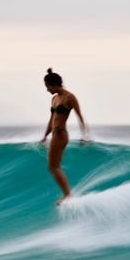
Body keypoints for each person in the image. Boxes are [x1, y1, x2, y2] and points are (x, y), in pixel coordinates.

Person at [40, 68, 89, 205]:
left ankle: (68, 195)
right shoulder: (54, 99)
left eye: (47, 87)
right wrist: (45, 136)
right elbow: (51, 120)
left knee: (54, 167)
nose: (47, 90)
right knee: (53, 167)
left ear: (54, 84)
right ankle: (67, 194)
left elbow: (80, 117)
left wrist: (84, 135)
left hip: (61, 135)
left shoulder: (70, 97)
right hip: (55, 134)